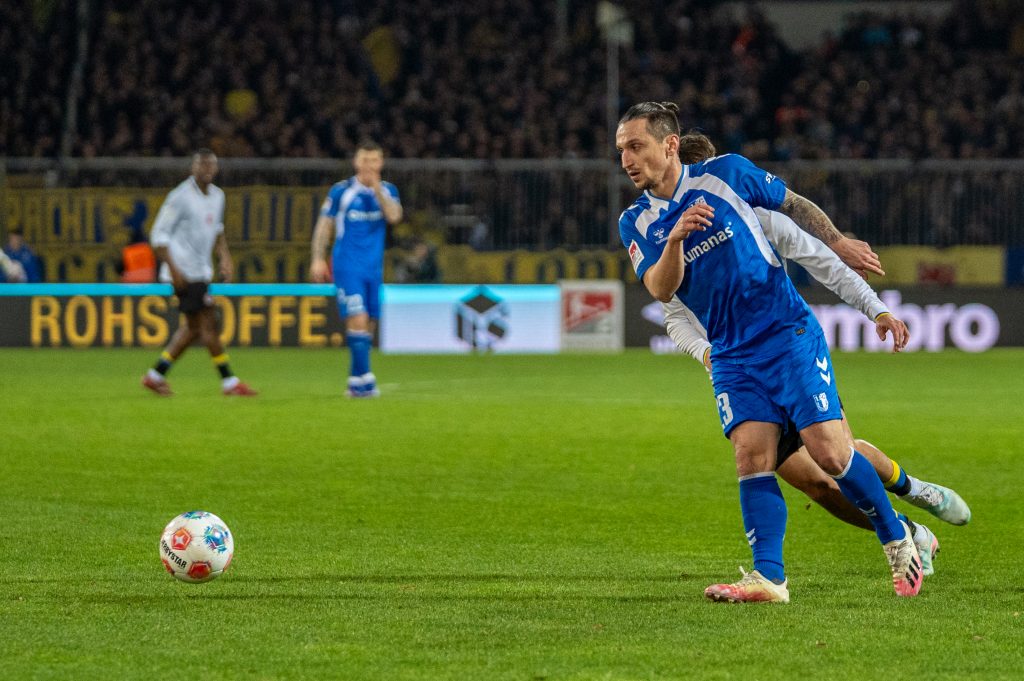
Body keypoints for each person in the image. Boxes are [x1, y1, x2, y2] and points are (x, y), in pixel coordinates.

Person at [617, 101, 920, 604]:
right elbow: (661, 289)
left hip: (785, 333)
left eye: (635, 146)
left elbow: (793, 203)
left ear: (669, 145)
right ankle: (770, 579)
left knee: (831, 453)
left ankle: (897, 538)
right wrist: (674, 239)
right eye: (621, 150)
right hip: (731, 354)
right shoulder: (636, 222)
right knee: (751, 457)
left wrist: (839, 242)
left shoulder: (727, 174)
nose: (626, 159)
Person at [661, 133, 972, 575]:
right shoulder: (666, 238)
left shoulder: (756, 218)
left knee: (839, 454)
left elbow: (822, 260)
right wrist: (706, 352)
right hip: (741, 369)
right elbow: (674, 314)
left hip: (787, 350)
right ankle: (910, 531)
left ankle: (912, 488)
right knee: (819, 487)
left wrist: (877, 308)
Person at [141, 149, 257, 397]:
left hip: (201, 272)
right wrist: (174, 271)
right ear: (192, 167)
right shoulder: (180, 197)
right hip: (184, 272)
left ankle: (155, 376)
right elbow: (158, 236)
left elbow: (217, 230)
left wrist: (225, 257)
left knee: (194, 328)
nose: (206, 169)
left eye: (210, 165)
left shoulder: (218, 196)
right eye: (201, 164)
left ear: (216, 168)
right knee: (209, 324)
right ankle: (229, 382)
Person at [310, 141, 403, 398]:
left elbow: (394, 216)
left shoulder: (388, 191)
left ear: (381, 163)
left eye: (374, 160)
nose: (369, 166)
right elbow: (324, 226)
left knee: (368, 325)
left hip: (374, 268)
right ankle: (367, 380)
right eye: (365, 160)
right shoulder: (341, 191)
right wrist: (317, 258)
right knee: (358, 318)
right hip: (347, 266)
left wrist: (377, 190)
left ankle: (356, 381)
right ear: (356, 162)